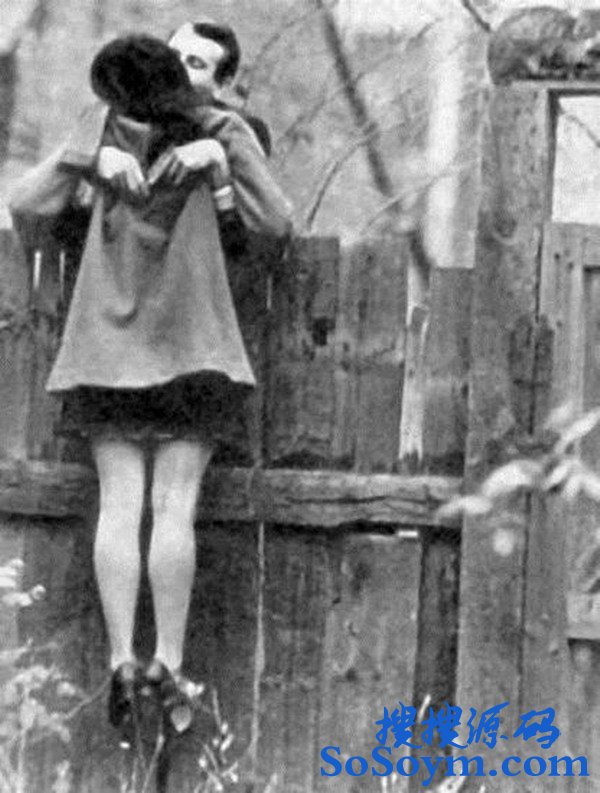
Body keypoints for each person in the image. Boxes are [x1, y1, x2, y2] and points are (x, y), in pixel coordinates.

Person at [9, 20, 292, 746]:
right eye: (174, 56)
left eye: (197, 62)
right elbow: (275, 224)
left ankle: (132, 662)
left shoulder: (179, 129)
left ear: (222, 82)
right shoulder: (144, 129)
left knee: (134, 506)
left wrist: (210, 158)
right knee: (163, 507)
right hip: (190, 352)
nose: (179, 69)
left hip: (120, 353)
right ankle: (156, 663)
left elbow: (271, 225)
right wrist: (94, 159)